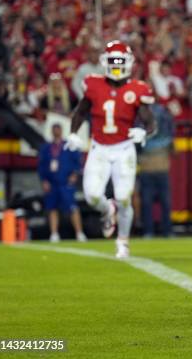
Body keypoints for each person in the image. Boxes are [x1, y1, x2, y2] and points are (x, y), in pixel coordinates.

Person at [66, 41, 156, 258]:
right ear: (105, 62)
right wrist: (73, 133)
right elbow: (80, 112)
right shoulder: (93, 84)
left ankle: (123, 241)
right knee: (92, 196)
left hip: (124, 149)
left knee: (124, 197)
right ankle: (108, 210)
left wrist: (144, 132)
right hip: (98, 148)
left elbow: (150, 121)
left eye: (120, 61)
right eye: (113, 61)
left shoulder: (138, 88)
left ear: (129, 63)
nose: (116, 65)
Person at [38, 123, 86, 242]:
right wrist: (44, 180)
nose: (56, 132)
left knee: (72, 207)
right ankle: (54, 233)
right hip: (52, 182)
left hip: (65, 182)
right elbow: (41, 165)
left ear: (61, 130)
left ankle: (79, 233)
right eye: (54, 130)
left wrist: (74, 174)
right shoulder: (46, 148)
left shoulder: (69, 146)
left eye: (58, 129)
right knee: (52, 208)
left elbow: (77, 162)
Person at [138, 103, 174, 237]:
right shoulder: (162, 116)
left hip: (150, 168)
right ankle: (165, 231)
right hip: (157, 167)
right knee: (160, 202)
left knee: (151, 203)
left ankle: (150, 231)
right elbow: (172, 146)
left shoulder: (140, 122)